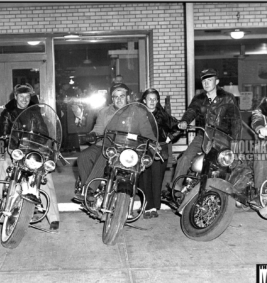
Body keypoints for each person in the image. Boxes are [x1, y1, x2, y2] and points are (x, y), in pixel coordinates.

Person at [0, 84, 60, 231]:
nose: (24, 100)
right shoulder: (8, 113)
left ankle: (53, 218)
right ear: (15, 97)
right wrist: (7, 137)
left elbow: (44, 131)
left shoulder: (36, 110)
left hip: (34, 148)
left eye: (27, 97)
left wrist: (50, 145)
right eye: (21, 97)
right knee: (3, 163)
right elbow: (4, 132)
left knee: (45, 175)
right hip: (16, 148)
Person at [168, 68, 241, 205]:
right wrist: (184, 121)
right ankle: (176, 188)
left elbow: (236, 121)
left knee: (224, 163)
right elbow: (191, 111)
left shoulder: (228, 98)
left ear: (217, 81)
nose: (206, 83)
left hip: (222, 136)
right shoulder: (199, 98)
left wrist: (235, 142)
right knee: (185, 157)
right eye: (204, 81)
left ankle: (231, 195)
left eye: (210, 80)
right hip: (203, 134)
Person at [74, 83, 131, 201]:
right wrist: (92, 135)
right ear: (112, 98)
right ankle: (89, 189)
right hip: (104, 143)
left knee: (106, 155)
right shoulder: (104, 112)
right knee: (84, 156)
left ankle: (90, 189)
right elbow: (99, 128)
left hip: (125, 147)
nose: (119, 99)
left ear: (128, 97)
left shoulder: (135, 111)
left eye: (122, 96)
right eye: (116, 97)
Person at [138, 88, 178, 218]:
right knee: (144, 178)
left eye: (155, 99)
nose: (152, 101)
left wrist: (168, 138)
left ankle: (154, 207)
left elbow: (179, 127)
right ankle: (147, 207)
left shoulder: (163, 115)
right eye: (150, 99)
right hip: (143, 149)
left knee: (156, 179)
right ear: (144, 100)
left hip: (159, 151)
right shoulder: (139, 114)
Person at [250, 97, 267, 205]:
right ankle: (260, 191)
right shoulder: (261, 109)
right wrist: (260, 128)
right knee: (260, 150)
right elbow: (256, 118)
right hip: (264, 142)